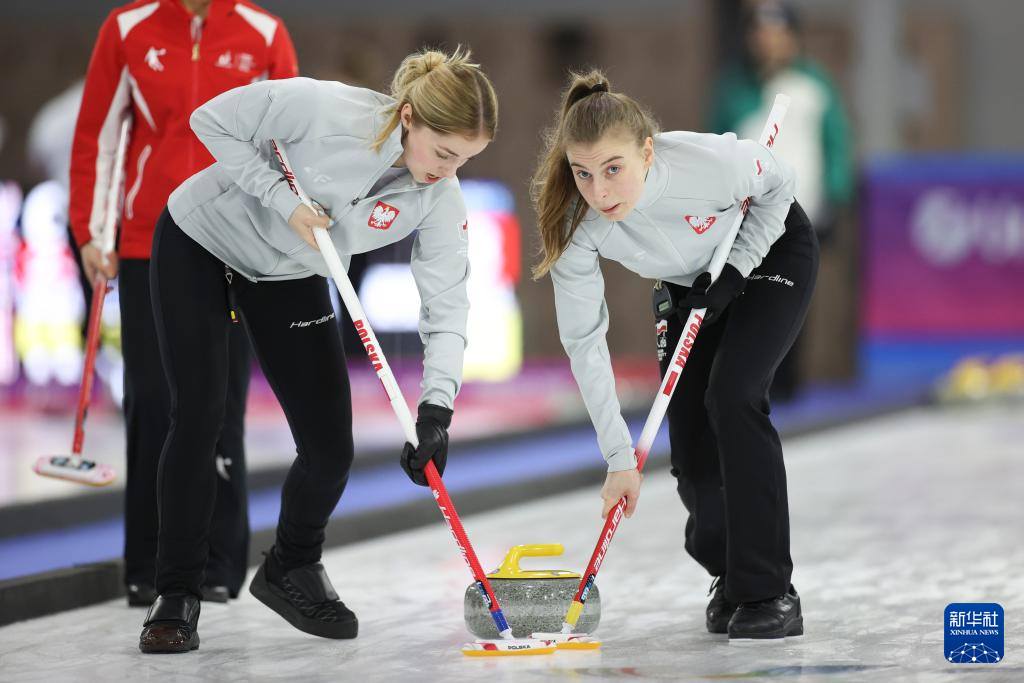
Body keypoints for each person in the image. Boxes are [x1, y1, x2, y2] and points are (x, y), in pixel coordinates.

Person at [137, 48, 497, 653]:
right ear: (408, 117)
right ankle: (176, 594)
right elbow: (210, 120)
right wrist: (285, 201)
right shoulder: (324, 106)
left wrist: (436, 410)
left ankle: (291, 565)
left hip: (289, 275)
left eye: (465, 158)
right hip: (202, 241)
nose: (448, 171)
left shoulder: (439, 195)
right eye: (443, 151)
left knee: (331, 448)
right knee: (200, 417)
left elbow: (447, 302)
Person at [532, 70, 817, 640]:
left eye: (614, 169)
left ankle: (769, 590)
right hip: (687, 282)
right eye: (583, 173)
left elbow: (778, 187)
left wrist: (736, 273)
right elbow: (585, 342)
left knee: (732, 395)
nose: (601, 191)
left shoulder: (709, 163)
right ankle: (730, 574)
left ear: (646, 151)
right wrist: (618, 458)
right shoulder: (576, 221)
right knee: (687, 435)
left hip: (768, 253)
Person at [69, 0, 298, 605]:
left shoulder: (264, 34)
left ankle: (221, 564)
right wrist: (92, 232)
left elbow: (284, 148)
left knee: (220, 400)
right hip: (149, 241)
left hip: (236, 243)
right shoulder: (126, 29)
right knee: (154, 398)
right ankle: (148, 565)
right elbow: (98, 133)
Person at [708, 0, 853, 400]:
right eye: (760, 33)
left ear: (793, 38)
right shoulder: (734, 88)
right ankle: (748, 380)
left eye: (777, 33)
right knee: (744, 290)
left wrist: (836, 196)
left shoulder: (814, 85)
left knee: (791, 292)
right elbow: (716, 146)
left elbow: (835, 143)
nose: (768, 41)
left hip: (800, 210)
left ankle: (789, 381)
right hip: (746, 212)